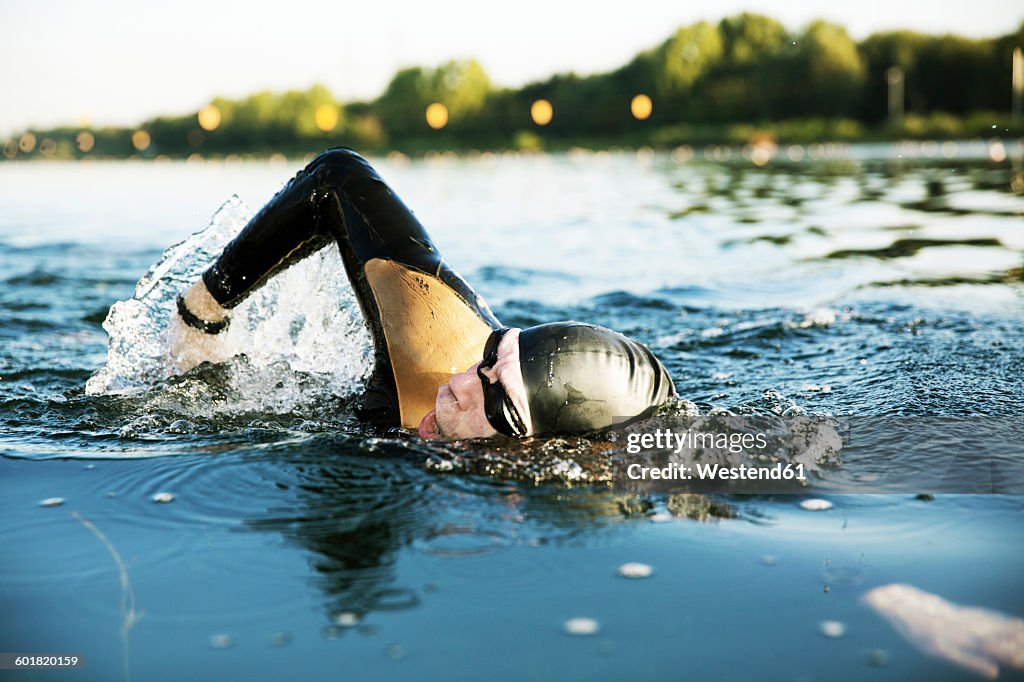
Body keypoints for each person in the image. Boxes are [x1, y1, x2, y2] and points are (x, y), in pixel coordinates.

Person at [169, 148, 674, 440]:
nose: (463, 382)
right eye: (493, 356)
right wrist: (203, 313)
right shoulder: (435, 346)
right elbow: (337, 177)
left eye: (501, 405)